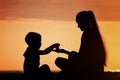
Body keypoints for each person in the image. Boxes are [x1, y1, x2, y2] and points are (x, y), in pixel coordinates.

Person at [55, 11, 107, 80]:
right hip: (94, 69)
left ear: (84, 22)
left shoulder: (87, 34)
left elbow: (82, 58)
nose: (78, 26)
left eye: (79, 23)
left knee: (58, 60)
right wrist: (65, 52)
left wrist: (69, 54)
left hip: (89, 70)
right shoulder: (94, 33)